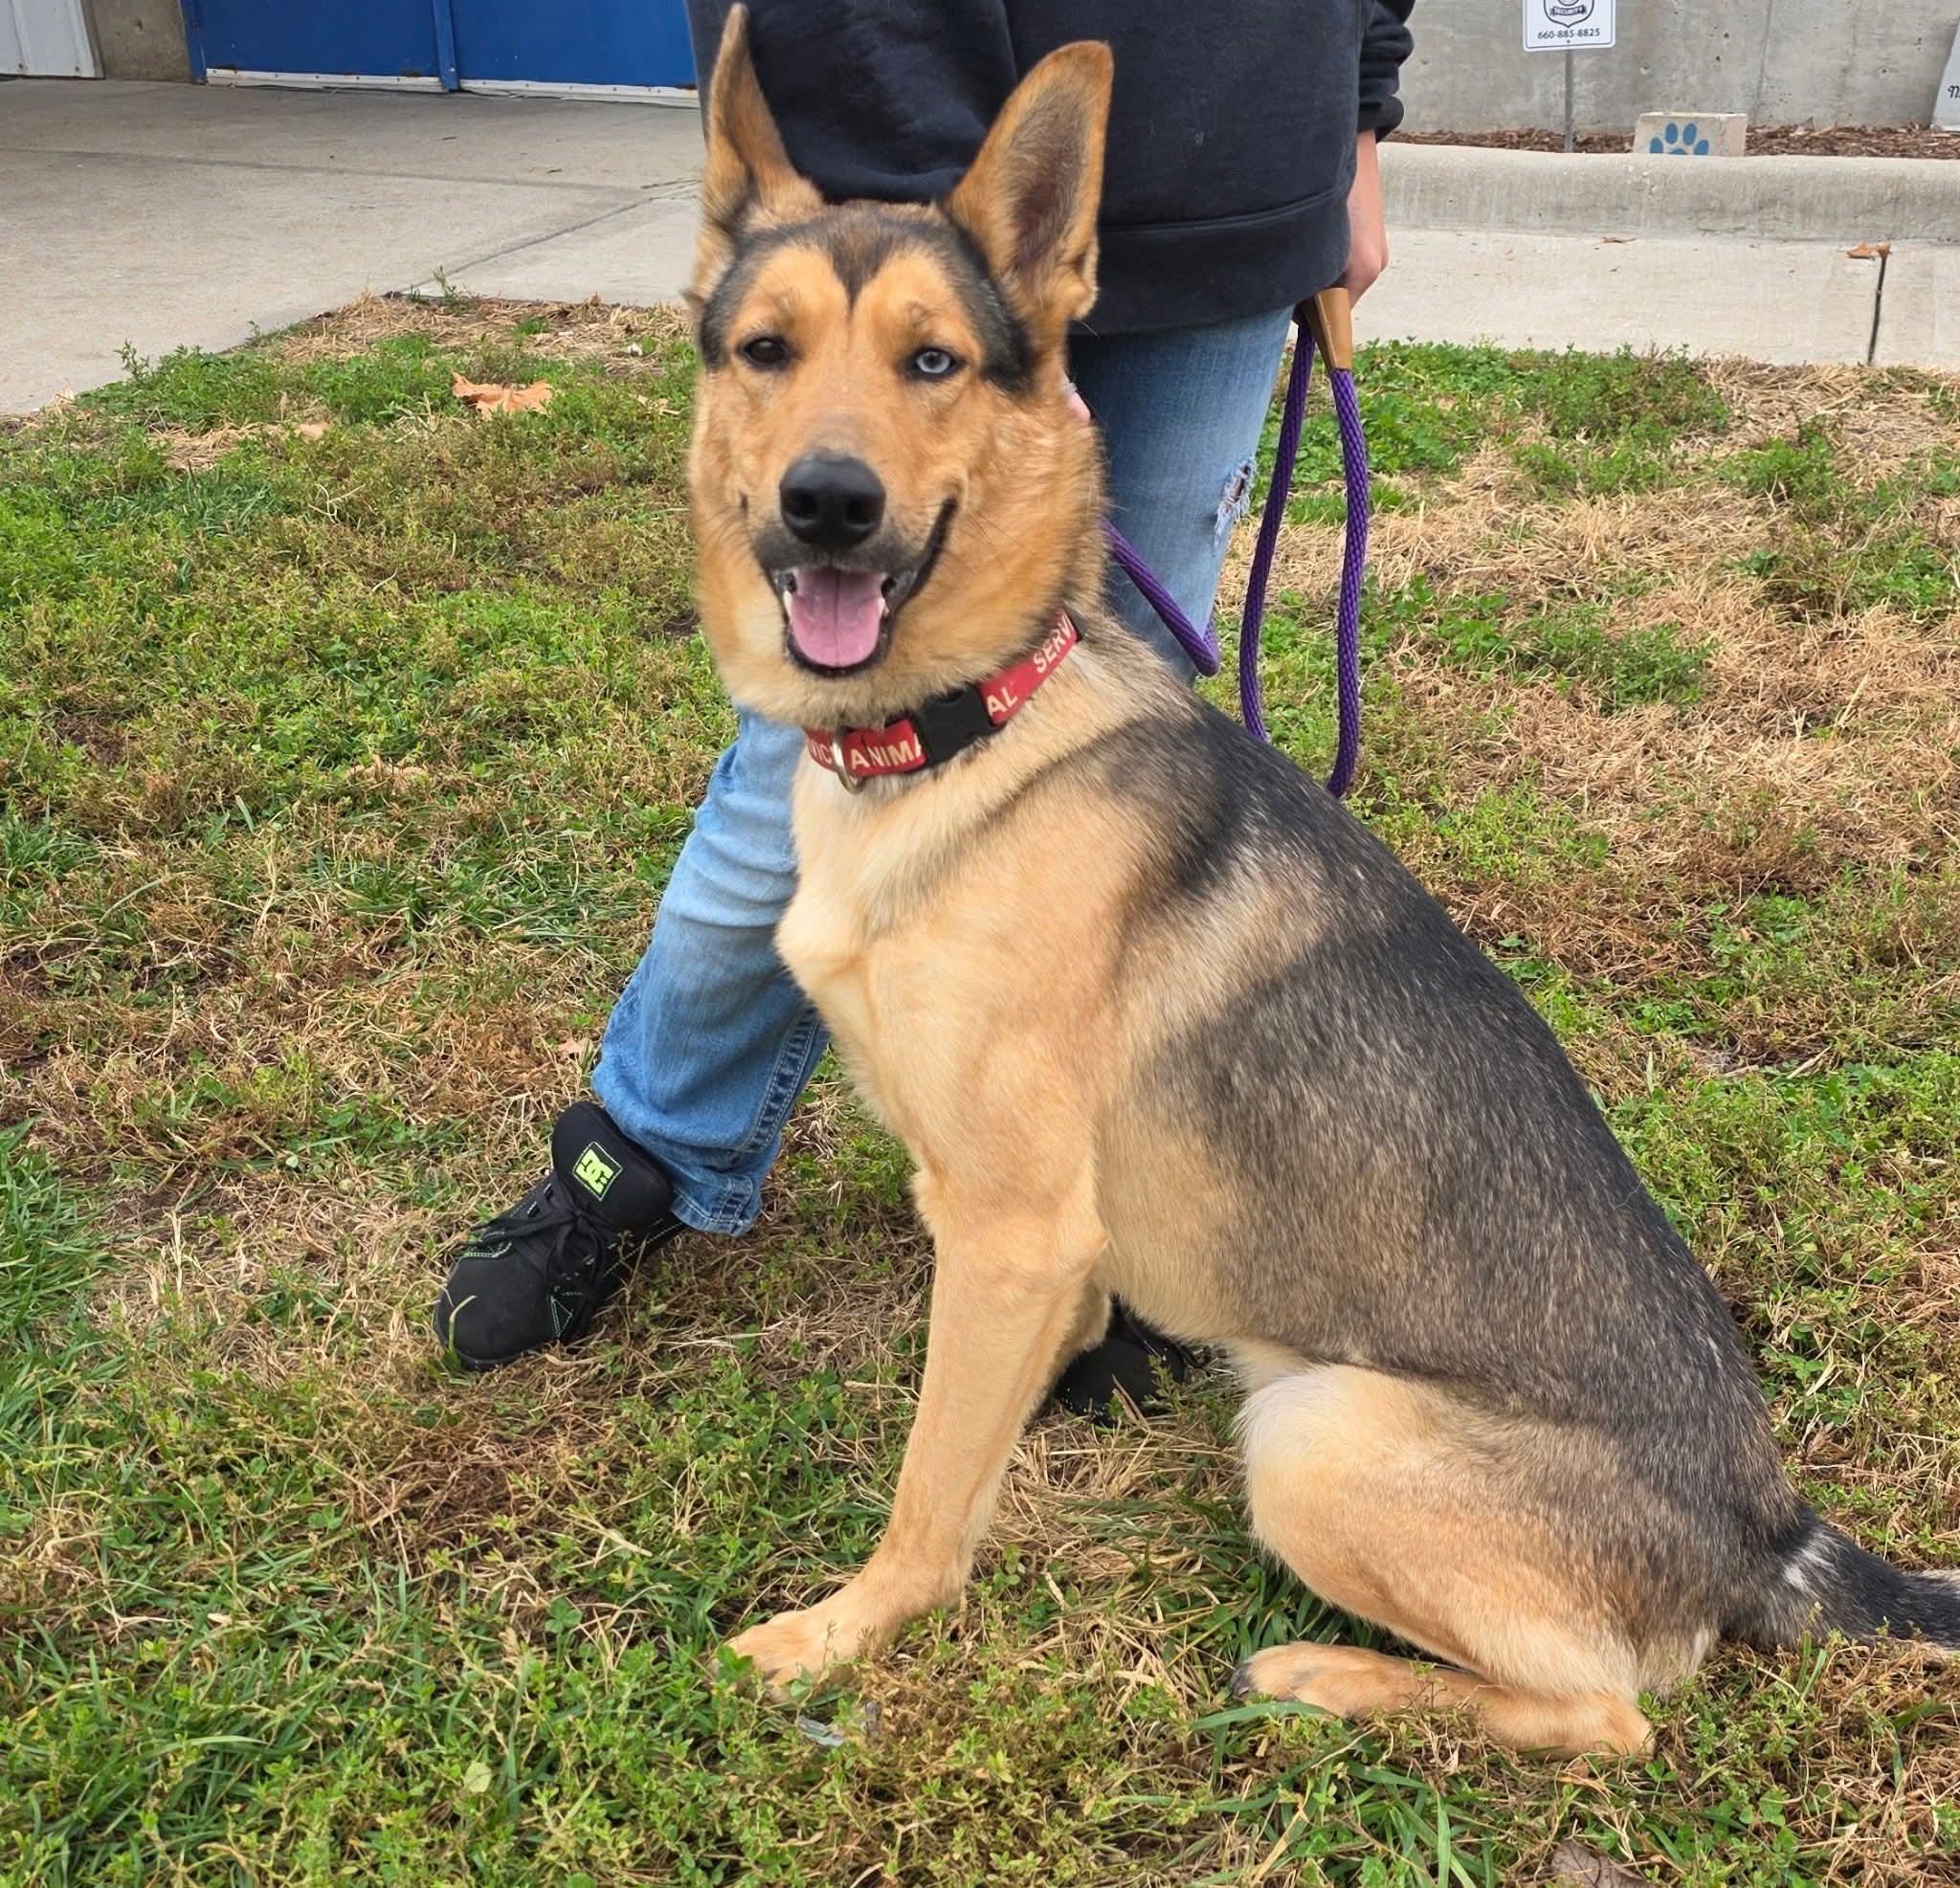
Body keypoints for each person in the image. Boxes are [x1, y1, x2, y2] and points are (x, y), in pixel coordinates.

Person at [434, 0, 1417, 1410]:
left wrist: (1360, 115)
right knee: (810, 770)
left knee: (1119, 806)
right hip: (906, 116)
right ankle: (652, 1144)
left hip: (1241, 164)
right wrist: (943, 298)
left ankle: (1090, 1213)